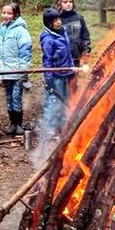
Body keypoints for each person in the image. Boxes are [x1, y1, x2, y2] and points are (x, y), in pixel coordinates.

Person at [0, 2, 33, 135]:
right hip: (4, 71)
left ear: (16, 14)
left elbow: (25, 52)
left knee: (16, 97)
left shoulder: (21, 31)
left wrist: (23, 71)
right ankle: (11, 123)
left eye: (9, 13)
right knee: (8, 97)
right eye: (3, 12)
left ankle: (18, 124)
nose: (6, 15)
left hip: (16, 71)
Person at [39, 8, 75, 136]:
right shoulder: (48, 39)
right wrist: (49, 79)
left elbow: (68, 53)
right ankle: (49, 128)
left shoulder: (62, 32)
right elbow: (47, 60)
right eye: (55, 20)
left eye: (59, 19)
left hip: (66, 73)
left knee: (65, 100)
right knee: (54, 100)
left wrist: (71, 68)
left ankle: (62, 125)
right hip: (56, 76)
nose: (59, 22)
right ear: (49, 23)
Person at [55, 0, 91, 67]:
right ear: (59, 3)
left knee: (74, 77)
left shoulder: (79, 18)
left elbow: (85, 36)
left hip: (75, 56)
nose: (68, 4)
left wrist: (86, 52)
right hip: (61, 58)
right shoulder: (56, 19)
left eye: (70, 2)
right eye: (65, 2)